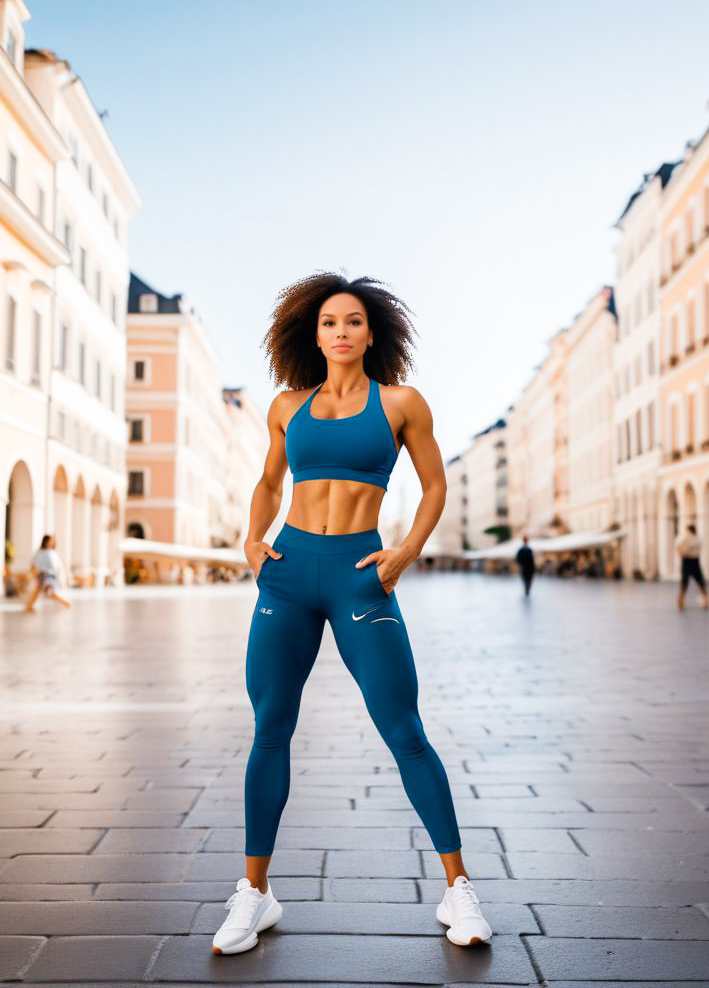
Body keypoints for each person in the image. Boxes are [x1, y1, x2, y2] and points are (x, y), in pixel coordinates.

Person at [213, 274, 491, 957]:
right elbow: (269, 481)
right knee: (270, 728)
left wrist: (406, 552)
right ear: (314, 333)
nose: (341, 331)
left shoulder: (401, 403)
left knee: (405, 729)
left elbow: (435, 485)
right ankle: (255, 894)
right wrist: (253, 542)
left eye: (354, 321)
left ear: (373, 333)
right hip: (288, 576)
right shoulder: (286, 406)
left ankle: (458, 888)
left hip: (363, 575)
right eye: (330, 322)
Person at [24, 534, 71, 611]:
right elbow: (34, 564)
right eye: (50, 541)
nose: (52, 542)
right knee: (45, 590)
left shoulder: (53, 552)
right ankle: (66, 603)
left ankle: (29, 606)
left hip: (51, 575)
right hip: (43, 574)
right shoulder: (40, 552)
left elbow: (57, 565)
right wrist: (34, 573)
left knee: (41, 590)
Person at [674, 524, 709, 611]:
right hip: (693, 561)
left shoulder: (689, 539)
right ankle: (705, 601)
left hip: (688, 561)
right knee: (700, 582)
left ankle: (681, 602)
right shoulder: (697, 539)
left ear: (689, 531)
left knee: (686, 582)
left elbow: (680, 547)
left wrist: (682, 549)